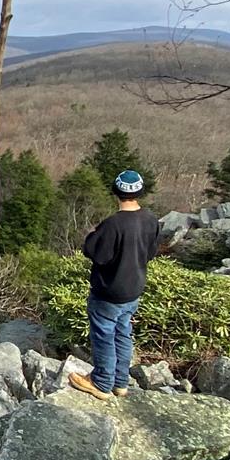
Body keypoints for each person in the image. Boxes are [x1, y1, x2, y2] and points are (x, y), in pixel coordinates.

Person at [69, 169, 160, 400]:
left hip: (109, 291)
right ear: (140, 192)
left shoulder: (113, 224)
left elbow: (96, 253)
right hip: (133, 289)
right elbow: (150, 252)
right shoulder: (150, 220)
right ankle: (120, 383)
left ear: (116, 193)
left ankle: (101, 382)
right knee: (123, 333)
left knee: (104, 335)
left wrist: (92, 234)